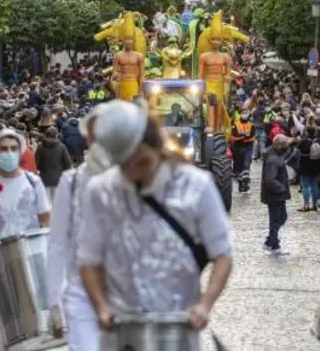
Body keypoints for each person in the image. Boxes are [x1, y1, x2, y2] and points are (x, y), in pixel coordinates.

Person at [78, 100, 233, 350]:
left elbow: (222, 255)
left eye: (141, 163)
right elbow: (89, 260)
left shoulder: (198, 185)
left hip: (177, 329)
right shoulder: (100, 191)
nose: (134, 173)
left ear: (158, 147)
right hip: (122, 332)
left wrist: (205, 305)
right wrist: (101, 307)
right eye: (124, 166)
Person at [46, 105, 112, 351]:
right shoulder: (71, 183)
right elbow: (57, 244)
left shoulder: (135, 180)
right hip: (80, 294)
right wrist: (54, 300)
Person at [260, 134, 292, 253]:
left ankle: (270, 241)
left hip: (278, 195)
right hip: (274, 195)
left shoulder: (276, 154)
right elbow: (270, 179)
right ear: (279, 145)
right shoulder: (273, 159)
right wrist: (281, 188)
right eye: (285, 145)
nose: (286, 147)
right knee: (276, 220)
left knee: (281, 218)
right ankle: (274, 245)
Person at [35, 126, 73, 202]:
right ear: (56, 135)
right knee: (56, 202)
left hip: (44, 178)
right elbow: (68, 163)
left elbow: (36, 162)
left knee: (45, 202)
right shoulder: (62, 147)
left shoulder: (40, 147)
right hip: (58, 178)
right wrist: (62, 169)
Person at [231, 106, 256, 193]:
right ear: (240, 114)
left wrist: (241, 136)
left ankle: (245, 183)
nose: (244, 114)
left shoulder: (251, 125)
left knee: (246, 164)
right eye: (243, 112)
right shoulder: (236, 124)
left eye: (246, 113)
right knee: (240, 166)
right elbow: (234, 136)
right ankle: (241, 183)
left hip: (248, 147)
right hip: (238, 148)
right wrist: (245, 135)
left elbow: (252, 137)